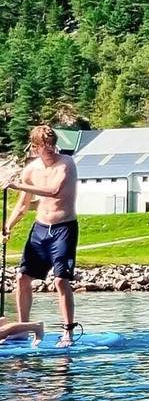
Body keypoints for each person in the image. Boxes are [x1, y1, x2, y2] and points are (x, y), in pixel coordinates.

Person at [0, 125, 79, 347]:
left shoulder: (67, 163)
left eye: (53, 145)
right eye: (46, 147)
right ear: (35, 148)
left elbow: (54, 190)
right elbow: (23, 206)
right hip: (40, 229)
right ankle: (24, 329)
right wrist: (8, 226)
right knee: (22, 278)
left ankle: (68, 333)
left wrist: (17, 184)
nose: (52, 150)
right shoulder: (31, 170)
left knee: (61, 280)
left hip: (64, 227)